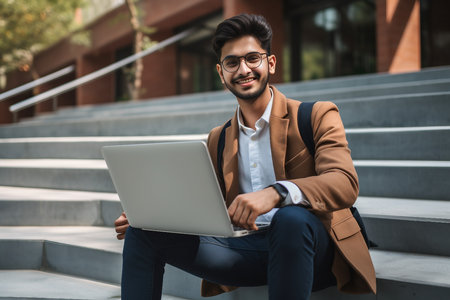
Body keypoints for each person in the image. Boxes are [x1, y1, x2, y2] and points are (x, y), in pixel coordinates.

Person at [114, 14, 376, 300]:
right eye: (232, 62)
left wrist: (276, 193)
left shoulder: (316, 115)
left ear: (270, 63)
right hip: (247, 250)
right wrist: (151, 216)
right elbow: (202, 207)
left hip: (313, 249)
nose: (244, 69)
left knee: (290, 220)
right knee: (142, 233)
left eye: (253, 58)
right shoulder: (219, 137)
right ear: (221, 73)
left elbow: (344, 183)